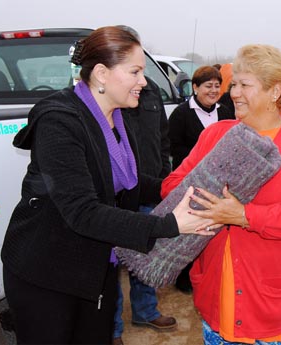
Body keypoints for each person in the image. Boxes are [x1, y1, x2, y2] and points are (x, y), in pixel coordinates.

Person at [0, 26, 211, 345]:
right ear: (101, 73)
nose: (144, 81)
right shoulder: (60, 121)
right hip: (46, 273)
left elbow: (129, 185)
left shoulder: (118, 118)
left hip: (96, 268)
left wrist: (180, 189)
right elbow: (83, 212)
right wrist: (169, 224)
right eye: (135, 71)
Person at [161, 44, 281, 344]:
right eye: (234, 84)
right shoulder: (215, 134)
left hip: (270, 304)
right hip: (216, 294)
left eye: (244, 85)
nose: (233, 92)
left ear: (275, 92)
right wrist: (206, 190)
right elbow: (171, 185)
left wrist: (243, 215)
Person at [112, 75, 177, 345]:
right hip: (118, 191)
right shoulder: (110, 92)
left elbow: (162, 137)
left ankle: (145, 311)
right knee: (111, 263)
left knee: (146, 253)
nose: (138, 76)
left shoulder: (149, 91)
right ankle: (112, 328)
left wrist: (164, 173)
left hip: (149, 186)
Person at [168, 65, 234, 293]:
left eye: (217, 86)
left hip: (220, 182)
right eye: (208, 86)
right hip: (191, 181)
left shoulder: (226, 112)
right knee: (190, 228)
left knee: (212, 229)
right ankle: (184, 277)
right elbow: (175, 148)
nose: (213, 90)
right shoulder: (181, 114)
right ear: (195, 87)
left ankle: (210, 274)